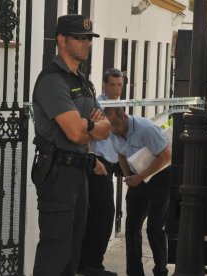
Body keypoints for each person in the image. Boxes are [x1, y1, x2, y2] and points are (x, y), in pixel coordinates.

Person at [31, 14, 111, 276]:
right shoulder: (53, 80)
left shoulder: (83, 81)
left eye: (89, 38)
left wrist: (85, 124)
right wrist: (89, 125)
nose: (87, 43)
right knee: (56, 251)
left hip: (79, 172)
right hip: (57, 174)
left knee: (73, 252)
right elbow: (76, 134)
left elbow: (106, 128)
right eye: (81, 38)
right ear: (61, 40)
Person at [104, 107, 171, 276]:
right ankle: (134, 272)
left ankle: (161, 270)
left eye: (115, 125)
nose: (112, 129)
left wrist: (140, 177)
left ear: (125, 118)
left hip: (159, 177)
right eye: (109, 125)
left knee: (155, 227)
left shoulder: (146, 129)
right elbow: (121, 155)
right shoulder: (113, 132)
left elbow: (165, 157)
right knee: (132, 227)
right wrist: (128, 177)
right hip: (137, 178)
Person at [78, 68, 124, 276]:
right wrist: (93, 158)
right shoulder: (98, 105)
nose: (116, 89)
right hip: (98, 164)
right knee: (103, 214)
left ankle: (90, 262)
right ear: (104, 85)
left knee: (101, 213)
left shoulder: (119, 106)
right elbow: (85, 131)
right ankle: (91, 264)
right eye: (112, 85)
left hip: (112, 163)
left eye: (120, 85)